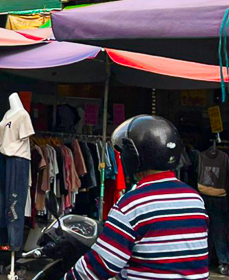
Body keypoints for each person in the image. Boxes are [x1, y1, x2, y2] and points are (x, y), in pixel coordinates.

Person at [65, 115, 209, 280]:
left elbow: (100, 266)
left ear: (133, 156)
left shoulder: (132, 204)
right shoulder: (195, 199)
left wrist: (69, 277)